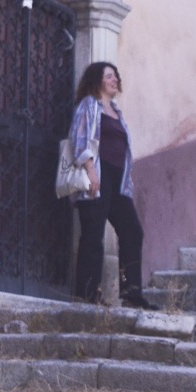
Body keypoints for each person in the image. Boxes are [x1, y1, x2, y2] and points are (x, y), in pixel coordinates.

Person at [68, 61, 156, 310]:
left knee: (132, 231)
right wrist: (91, 169)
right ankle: (86, 295)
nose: (115, 79)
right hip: (97, 175)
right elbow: (79, 138)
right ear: (97, 80)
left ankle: (131, 293)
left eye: (115, 75)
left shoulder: (117, 111)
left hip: (118, 181)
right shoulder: (88, 105)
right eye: (109, 76)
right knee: (93, 235)